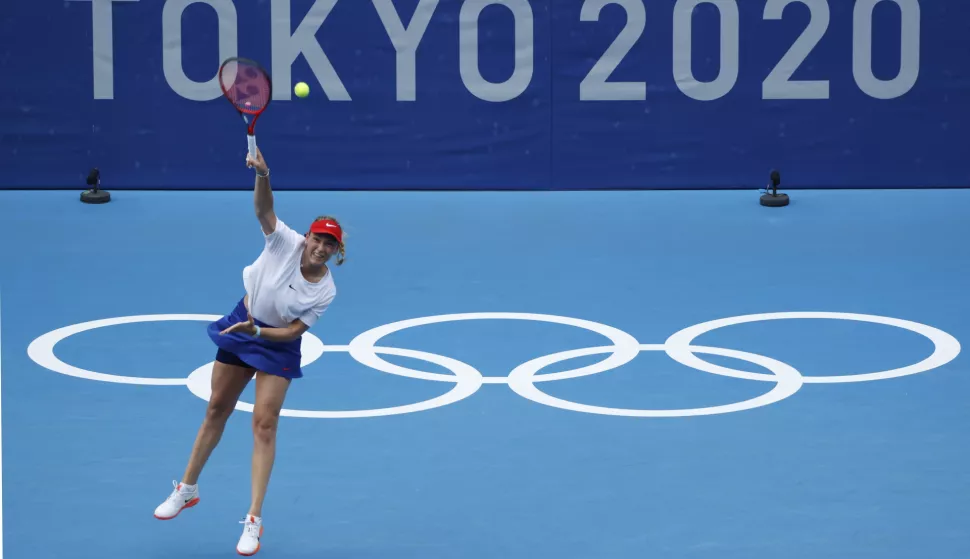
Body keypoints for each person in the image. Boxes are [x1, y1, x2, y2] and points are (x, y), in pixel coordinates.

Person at [152, 147, 343, 556]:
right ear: (306, 237)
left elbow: (294, 329)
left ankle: (254, 519)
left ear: (337, 252)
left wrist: (260, 330)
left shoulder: (326, 290)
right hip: (244, 323)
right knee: (217, 408)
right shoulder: (284, 243)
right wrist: (263, 174)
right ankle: (187, 489)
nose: (321, 247)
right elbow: (264, 209)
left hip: (277, 343)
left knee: (264, 425)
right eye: (318, 238)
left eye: (330, 244)